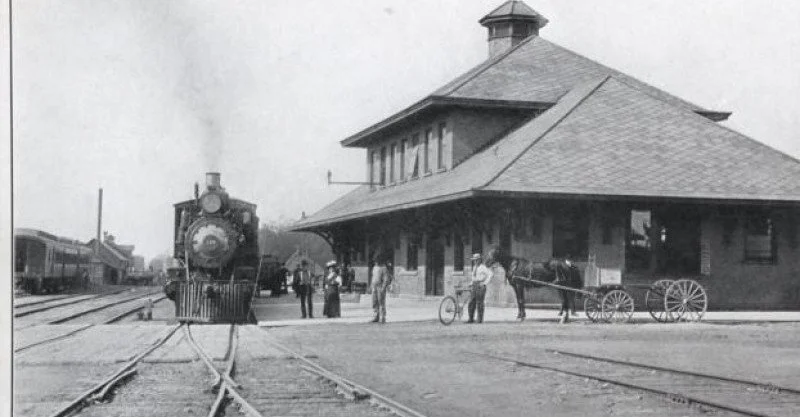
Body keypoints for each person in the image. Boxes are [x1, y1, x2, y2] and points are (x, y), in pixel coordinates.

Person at [468, 253, 493, 323]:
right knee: (471, 302)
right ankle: (471, 318)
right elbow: (473, 276)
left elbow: (491, 274)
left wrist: (484, 283)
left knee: (479, 303)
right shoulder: (474, 267)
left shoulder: (483, 267)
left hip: (480, 286)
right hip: (474, 285)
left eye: (476, 260)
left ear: (479, 260)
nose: (475, 261)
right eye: (474, 260)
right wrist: (471, 283)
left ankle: (479, 319)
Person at [370, 257, 393, 323]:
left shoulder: (384, 268)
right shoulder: (374, 268)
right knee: (374, 302)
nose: (375, 262)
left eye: (376, 260)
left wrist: (383, 287)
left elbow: (386, 279)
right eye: (375, 261)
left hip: (380, 286)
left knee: (381, 302)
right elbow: (373, 277)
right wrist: (371, 285)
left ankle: (383, 317)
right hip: (374, 286)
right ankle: (376, 316)